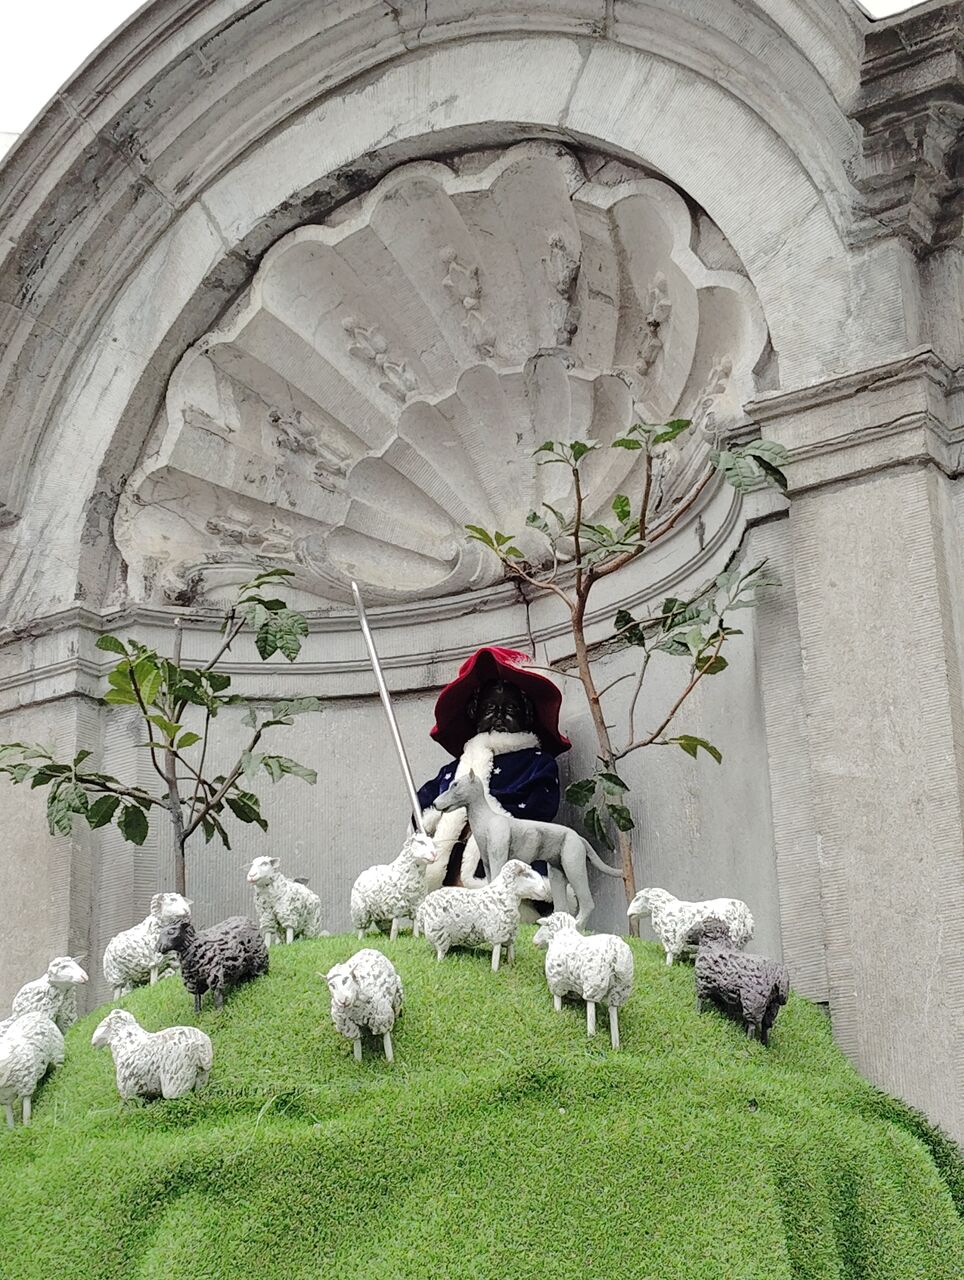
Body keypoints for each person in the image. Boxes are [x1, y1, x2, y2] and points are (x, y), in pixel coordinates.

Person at [416, 647, 570, 891]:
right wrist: (426, 820)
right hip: (450, 874)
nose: (499, 716)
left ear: (527, 714)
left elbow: (540, 806)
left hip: (508, 865)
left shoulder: (536, 763)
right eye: (489, 708)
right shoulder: (454, 770)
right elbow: (427, 803)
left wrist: (480, 812)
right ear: (473, 712)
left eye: (510, 709)